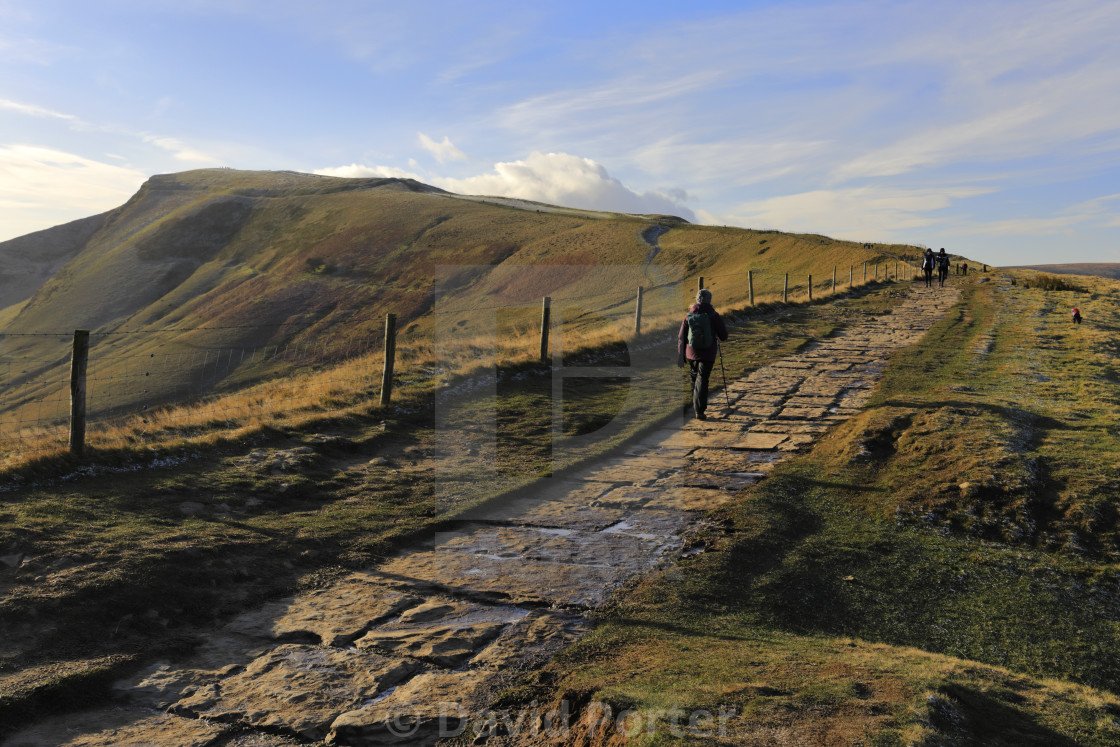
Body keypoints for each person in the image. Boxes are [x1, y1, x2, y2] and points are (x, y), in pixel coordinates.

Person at [678, 288, 728, 420]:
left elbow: (681, 337)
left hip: (691, 352)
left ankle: (695, 407)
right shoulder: (713, 315)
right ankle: (699, 411)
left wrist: (680, 354)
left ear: (697, 299)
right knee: (702, 379)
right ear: (709, 300)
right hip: (708, 353)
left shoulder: (689, 315)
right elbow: (723, 336)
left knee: (694, 377)